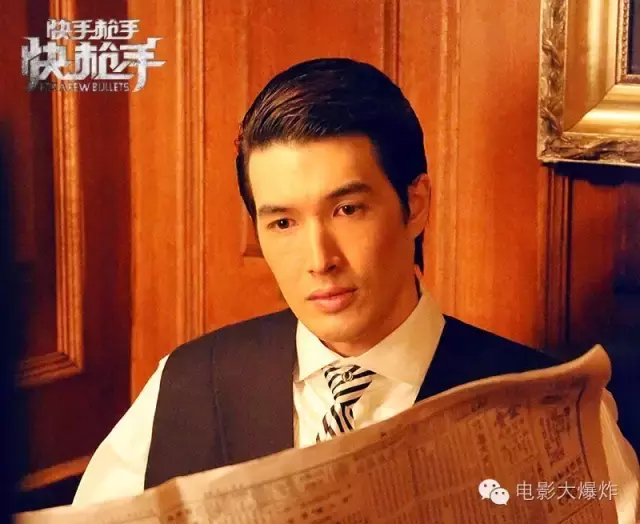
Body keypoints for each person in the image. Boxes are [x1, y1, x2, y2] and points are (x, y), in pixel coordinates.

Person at [73, 58, 639, 521]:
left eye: (347, 209)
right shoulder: (186, 384)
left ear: (414, 204)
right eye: (283, 223)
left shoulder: (554, 412)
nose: (319, 260)